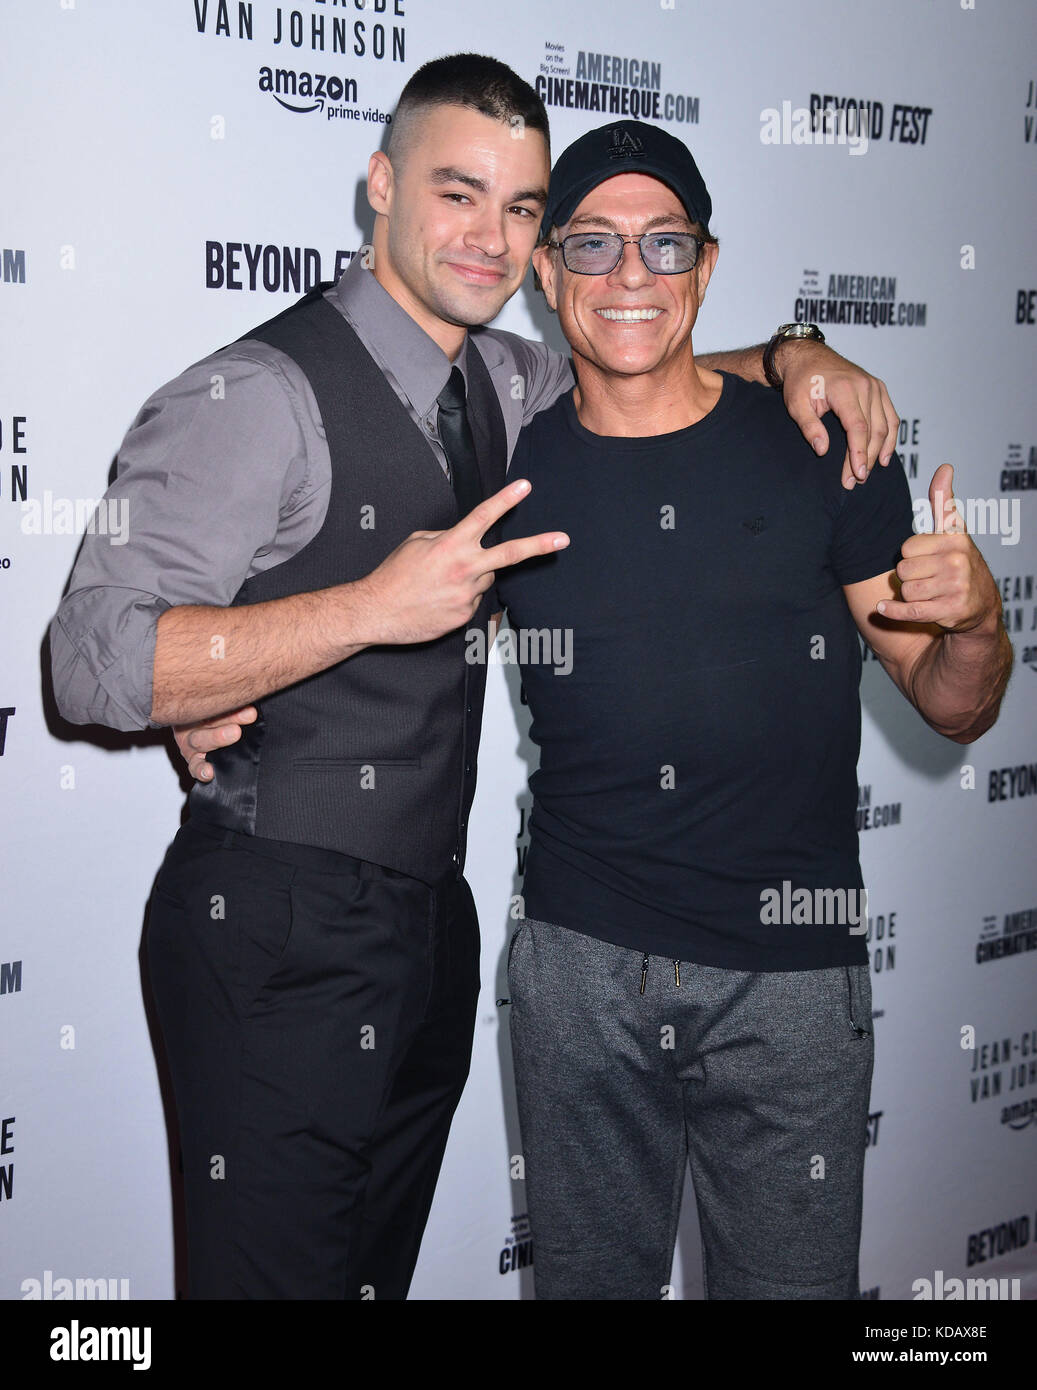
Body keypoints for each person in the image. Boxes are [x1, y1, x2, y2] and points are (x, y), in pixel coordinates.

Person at [51, 56, 899, 1301]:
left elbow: (652, 354)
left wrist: (799, 351)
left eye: (518, 209)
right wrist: (356, 611)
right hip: (270, 923)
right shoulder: (257, 394)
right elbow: (88, 659)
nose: (489, 238)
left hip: (426, 929)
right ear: (380, 186)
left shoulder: (508, 381)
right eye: (458, 194)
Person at [491, 119, 1013, 1300]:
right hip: (578, 969)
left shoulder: (822, 447)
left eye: (664, 246)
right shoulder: (505, 465)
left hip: (790, 984)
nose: (629, 277)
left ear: (708, 266)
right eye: (593, 245)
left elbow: (952, 707)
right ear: (544, 270)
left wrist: (977, 623)